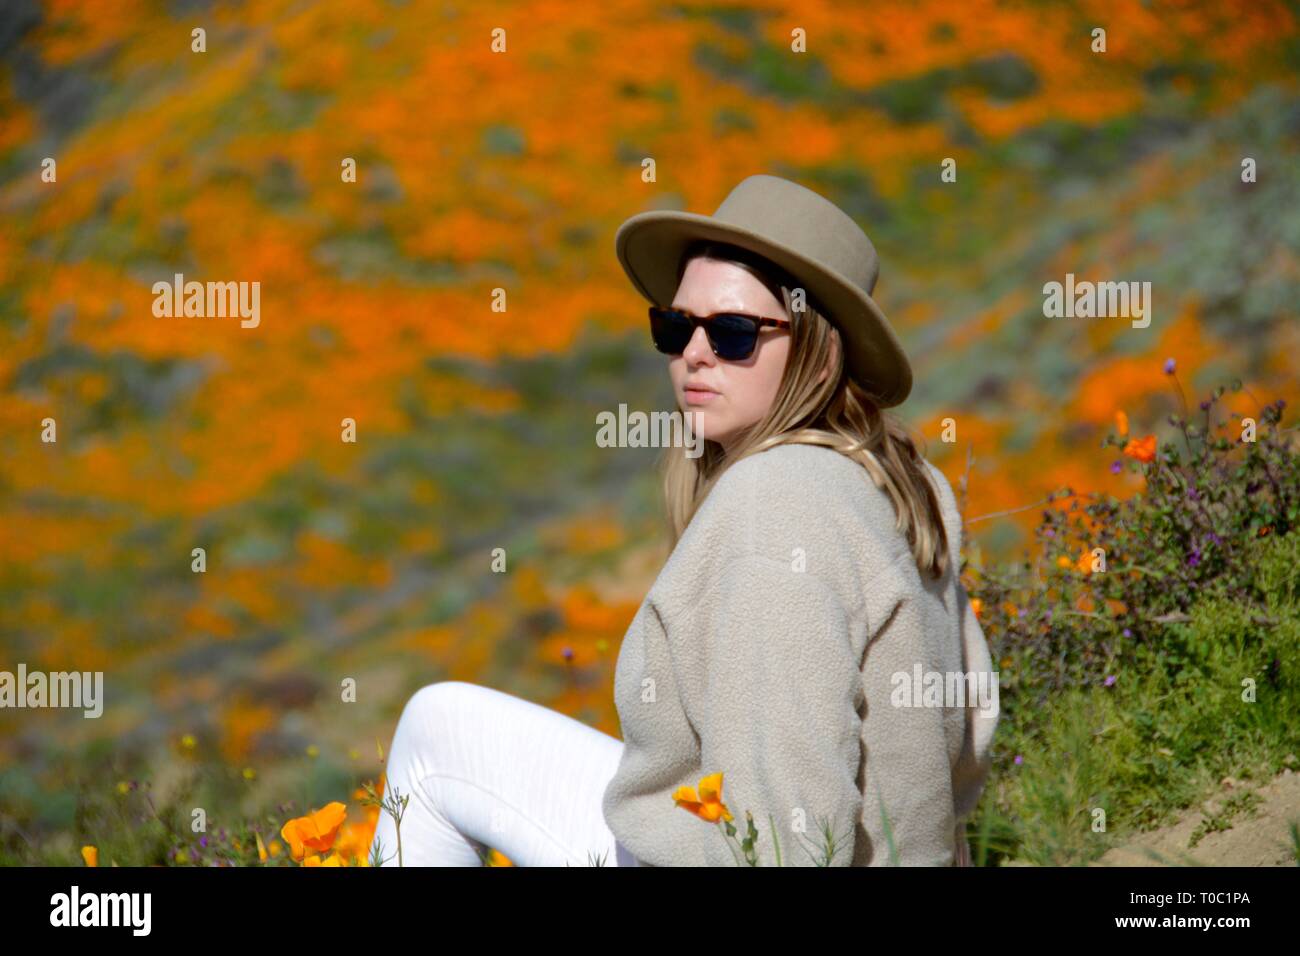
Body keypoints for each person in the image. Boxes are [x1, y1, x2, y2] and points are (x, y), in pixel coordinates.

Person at [368, 174, 998, 867]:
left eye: (732, 334)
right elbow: (966, 750)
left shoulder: (773, 501)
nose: (693, 353)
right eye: (674, 326)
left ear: (819, 355)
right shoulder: (904, 486)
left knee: (438, 735)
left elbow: (786, 838)